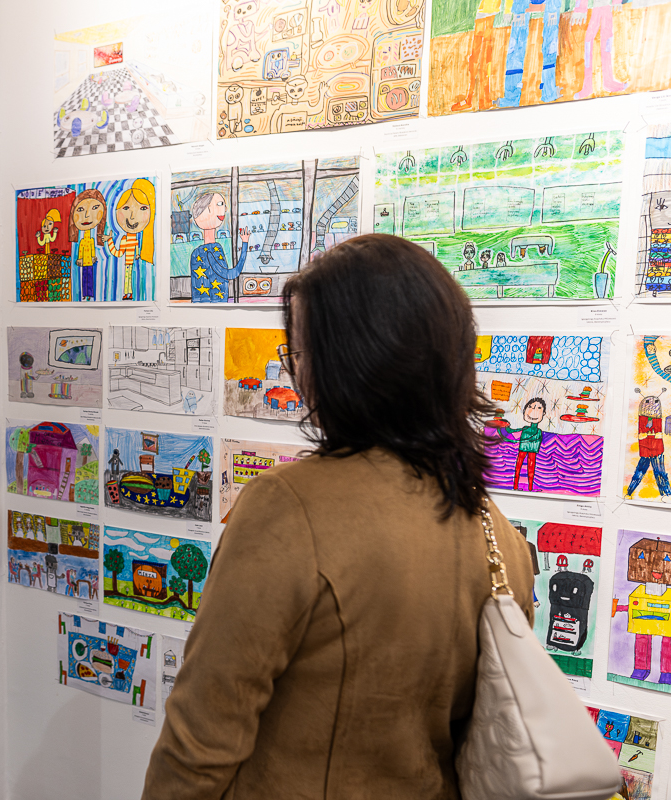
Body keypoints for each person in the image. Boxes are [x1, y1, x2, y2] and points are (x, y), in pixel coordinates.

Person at [143, 234, 535, 799]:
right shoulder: (495, 531)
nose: (296, 375)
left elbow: (199, 740)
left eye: (300, 355)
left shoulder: (288, 507)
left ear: (349, 364)